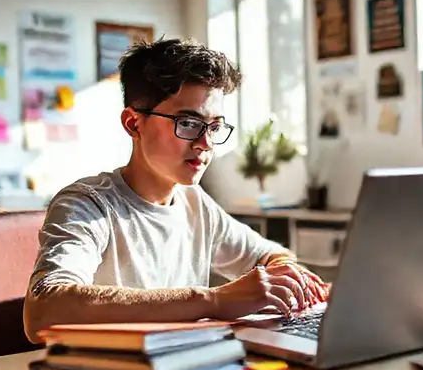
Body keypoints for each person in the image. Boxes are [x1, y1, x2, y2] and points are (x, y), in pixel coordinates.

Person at [23, 38, 329, 343]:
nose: (205, 144)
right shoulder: (87, 205)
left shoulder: (195, 204)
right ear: (133, 124)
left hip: (188, 368)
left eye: (214, 127)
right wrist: (214, 301)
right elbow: (45, 309)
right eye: (187, 122)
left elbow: (271, 256)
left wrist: (283, 276)